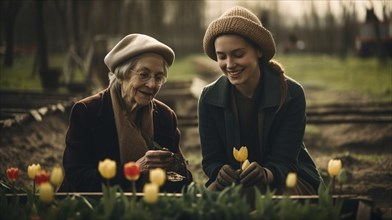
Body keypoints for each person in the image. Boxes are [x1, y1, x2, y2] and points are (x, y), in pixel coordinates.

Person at [198, 6, 323, 194]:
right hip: (234, 183)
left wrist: (267, 174)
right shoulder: (209, 98)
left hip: (286, 178)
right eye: (221, 56)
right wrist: (219, 171)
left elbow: (285, 160)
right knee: (208, 205)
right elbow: (211, 159)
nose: (230, 64)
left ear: (258, 51)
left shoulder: (291, 93)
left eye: (238, 54)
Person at [60, 34, 192, 193]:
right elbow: (77, 178)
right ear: (122, 75)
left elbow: (185, 182)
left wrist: (175, 166)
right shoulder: (88, 112)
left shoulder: (165, 117)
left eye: (158, 77)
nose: (152, 84)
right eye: (144, 75)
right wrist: (135, 170)